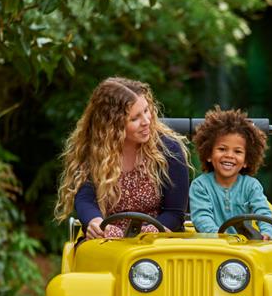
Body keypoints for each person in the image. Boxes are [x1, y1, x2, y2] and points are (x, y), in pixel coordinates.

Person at [54, 77, 190, 239]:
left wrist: (149, 233)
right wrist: (95, 222)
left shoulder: (169, 149)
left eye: (146, 110)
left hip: (157, 238)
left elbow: (174, 213)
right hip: (107, 238)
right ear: (112, 125)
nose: (147, 121)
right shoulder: (93, 152)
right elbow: (85, 198)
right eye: (135, 118)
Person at [189, 107, 272, 239]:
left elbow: (263, 212)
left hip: (244, 250)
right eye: (222, 149)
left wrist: (266, 233)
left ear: (246, 160)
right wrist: (222, 238)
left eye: (238, 151)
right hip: (211, 248)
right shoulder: (200, 186)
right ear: (209, 155)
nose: (229, 155)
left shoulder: (251, 186)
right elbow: (202, 218)